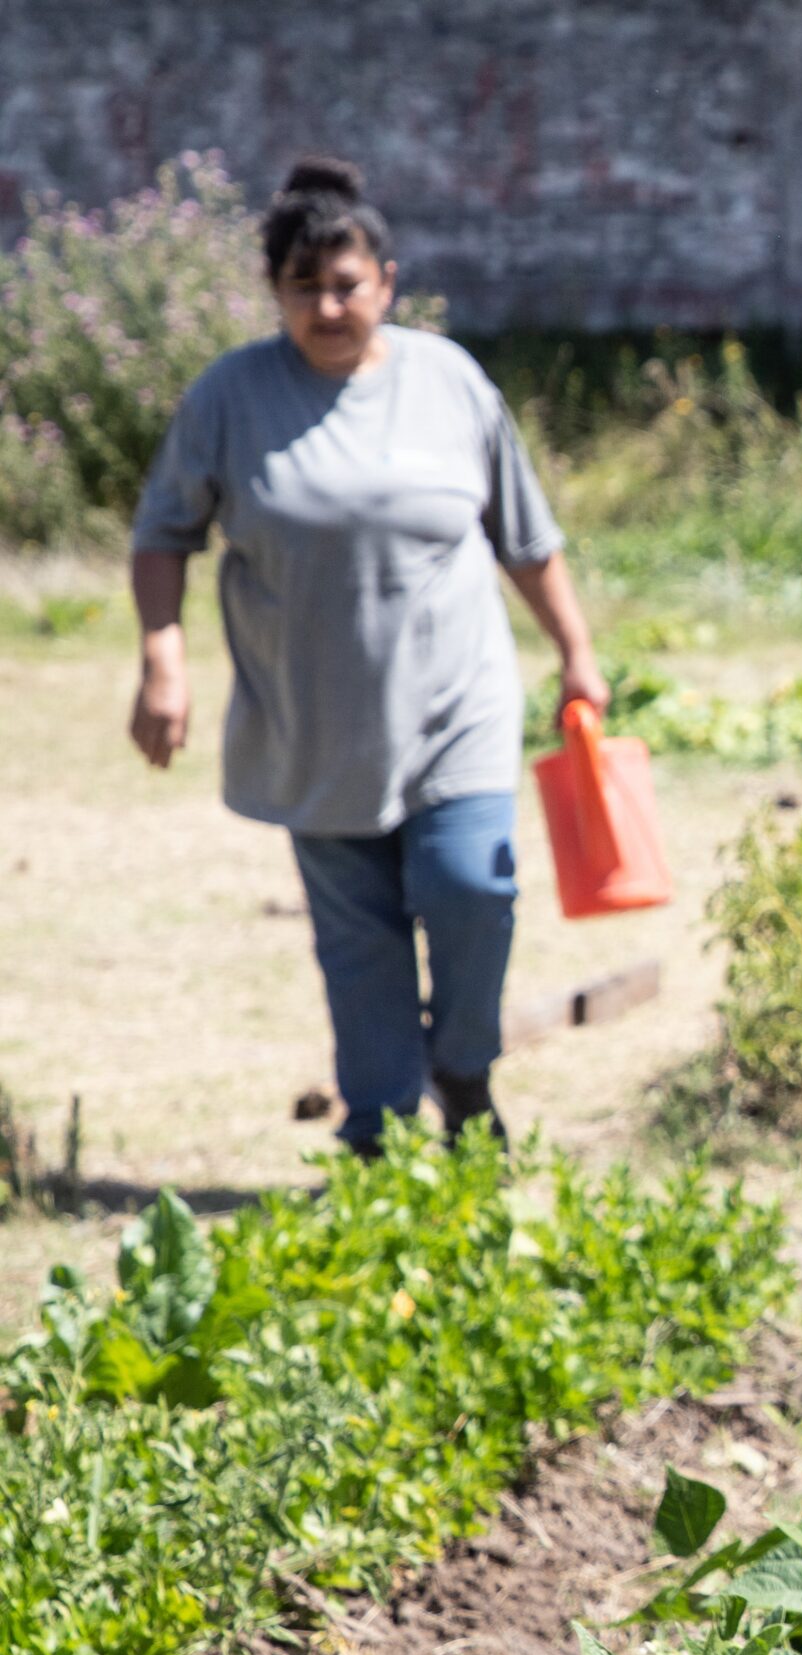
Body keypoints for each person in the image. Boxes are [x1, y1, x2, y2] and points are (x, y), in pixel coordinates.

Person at [128, 157, 607, 1155]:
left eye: (347, 284)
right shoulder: (232, 397)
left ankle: (464, 1070)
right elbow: (163, 534)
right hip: (314, 715)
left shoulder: (450, 383)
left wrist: (575, 649)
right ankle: (381, 1136)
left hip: (456, 701)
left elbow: (524, 532)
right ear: (276, 294)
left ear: (386, 281)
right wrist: (161, 661)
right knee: (360, 942)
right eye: (305, 287)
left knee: (473, 886)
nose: (329, 306)